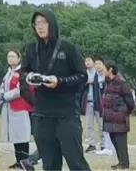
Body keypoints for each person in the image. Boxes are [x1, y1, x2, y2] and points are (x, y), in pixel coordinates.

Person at [19, 10, 90, 171]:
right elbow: (23, 73)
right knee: (50, 164)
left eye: (44, 22)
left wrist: (60, 81)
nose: (40, 27)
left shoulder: (68, 48)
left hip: (66, 114)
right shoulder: (31, 49)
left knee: (76, 162)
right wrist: (29, 77)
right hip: (42, 114)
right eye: (37, 23)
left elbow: (82, 76)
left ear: (52, 24)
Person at [0, 50, 33, 170]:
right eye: (9, 56)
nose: (10, 58)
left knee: (22, 136)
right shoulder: (8, 73)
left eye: (13, 56)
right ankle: (18, 161)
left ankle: (25, 161)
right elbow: (3, 86)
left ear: (19, 58)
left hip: (20, 107)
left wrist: (6, 95)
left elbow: (21, 89)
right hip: (10, 108)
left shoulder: (22, 72)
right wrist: (1, 95)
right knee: (15, 136)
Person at [100, 61, 134, 170]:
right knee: (114, 140)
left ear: (110, 69)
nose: (102, 71)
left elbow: (130, 102)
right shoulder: (107, 82)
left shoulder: (121, 83)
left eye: (104, 68)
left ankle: (124, 164)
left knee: (121, 142)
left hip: (119, 118)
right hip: (109, 118)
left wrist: (124, 112)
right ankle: (121, 162)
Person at [81, 57, 102, 154]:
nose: (87, 63)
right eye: (86, 61)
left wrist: (92, 81)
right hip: (88, 102)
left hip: (97, 101)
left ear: (93, 62)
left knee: (100, 123)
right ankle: (91, 144)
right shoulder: (84, 73)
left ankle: (103, 144)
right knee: (89, 124)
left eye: (89, 61)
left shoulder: (97, 73)